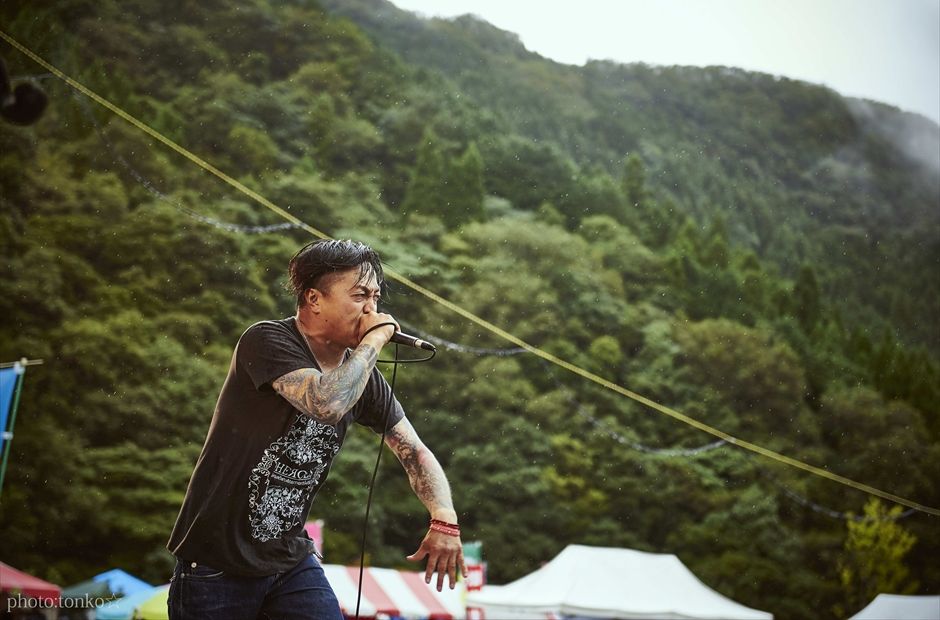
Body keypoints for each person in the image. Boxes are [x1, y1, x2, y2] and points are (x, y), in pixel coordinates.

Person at [166, 239, 465, 620]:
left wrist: (444, 517)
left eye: (375, 297)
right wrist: (375, 339)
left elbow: (414, 450)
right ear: (314, 299)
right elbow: (326, 403)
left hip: (289, 559)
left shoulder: (364, 377)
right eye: (359, 296)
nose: (372, 310)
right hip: (216, 562)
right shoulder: (267, 339)